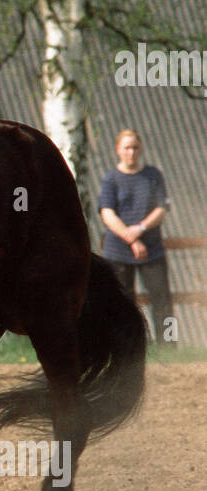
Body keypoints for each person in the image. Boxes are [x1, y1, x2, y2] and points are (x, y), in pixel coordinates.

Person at [99, 128, 175, 344]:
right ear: (118, 150)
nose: (131, 152)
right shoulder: (110, 179)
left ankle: (170, 345)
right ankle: (127, 348)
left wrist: (140, 229)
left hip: (152, 249)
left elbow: (161, 209)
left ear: (140, 149)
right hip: (118, 251)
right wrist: (130, 237)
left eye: (134, 147)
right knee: (122, 302)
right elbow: (107, 213)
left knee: (163, 300)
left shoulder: (153, 176)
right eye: (126, 148)